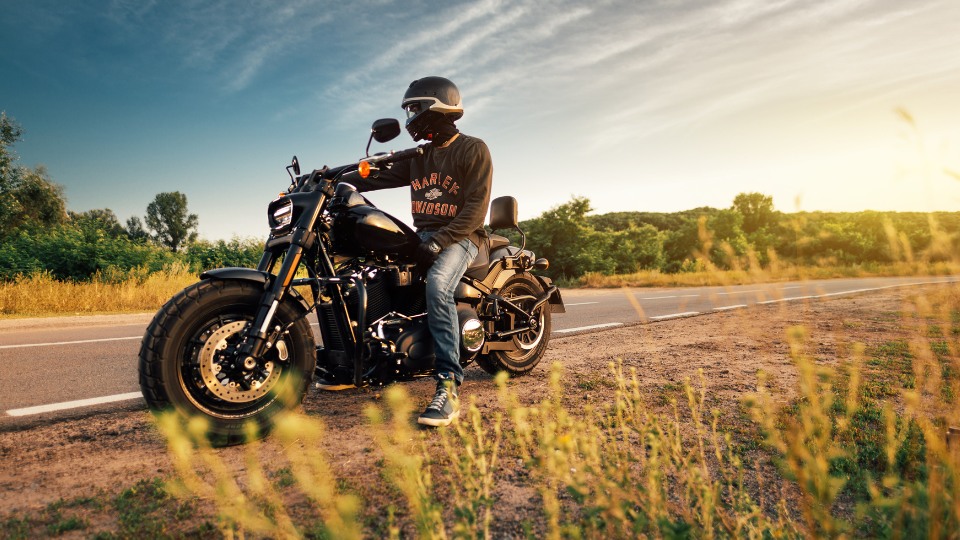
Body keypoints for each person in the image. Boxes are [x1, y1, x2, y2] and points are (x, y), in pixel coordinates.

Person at [343, 76, 493, 427]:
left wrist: (441, 240)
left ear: (436, 107)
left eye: (413, 108)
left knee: (438, 285)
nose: (410, 116)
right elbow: (376, 177)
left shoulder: (473, 148)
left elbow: (475, 208)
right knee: (367, 273)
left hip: (462, 237)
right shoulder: (418, 156)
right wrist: (332, 178)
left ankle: (448, 385)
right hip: (424, 235)